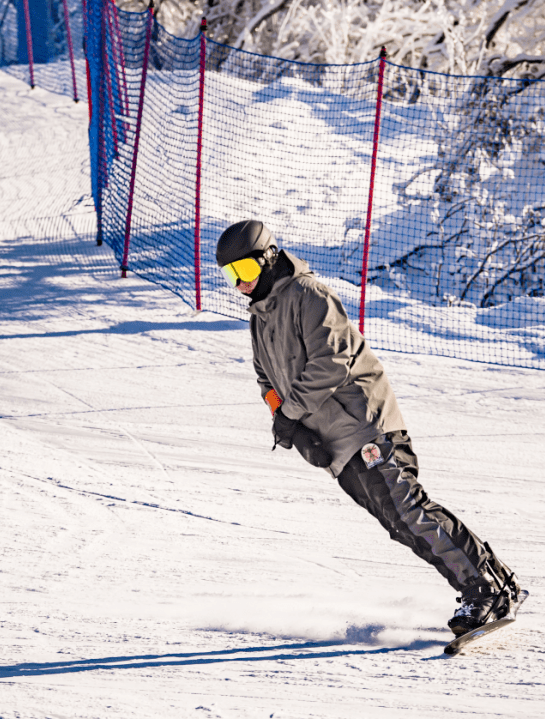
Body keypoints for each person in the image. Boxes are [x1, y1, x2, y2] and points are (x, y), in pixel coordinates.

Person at [216, 219, 520, 636]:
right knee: (398, 522)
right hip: (334, 441)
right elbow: (266, 381)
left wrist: (292, 413)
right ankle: (496, 579)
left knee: (409, 511)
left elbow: (331, 362)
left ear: (268, 260)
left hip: (366, 425)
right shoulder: (259, 318)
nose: (240, 285)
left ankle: (484, 590)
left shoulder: (309, 295)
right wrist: (292, 427)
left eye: (245, 272)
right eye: (231, 276)